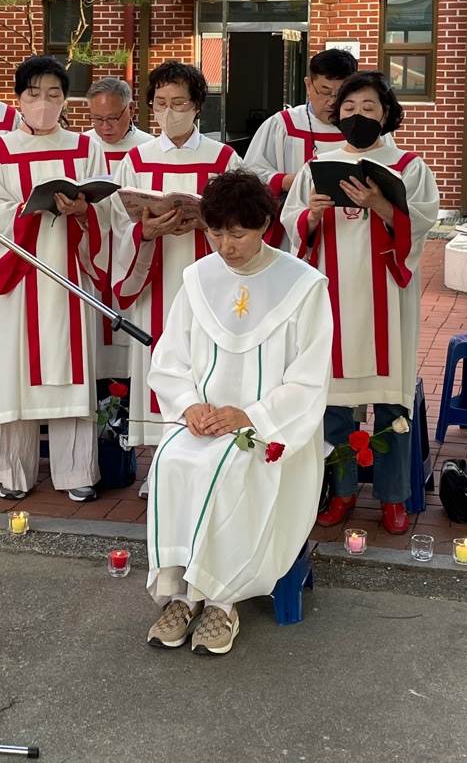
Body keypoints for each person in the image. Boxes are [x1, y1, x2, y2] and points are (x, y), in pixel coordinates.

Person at [144, 171, 331, 656]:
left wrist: (249, 416)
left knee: (228, 469)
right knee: (171, 461)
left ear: (265, 225)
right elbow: (170, 359)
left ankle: (221, 601)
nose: (225, 247)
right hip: (202, 420)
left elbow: (309, 381)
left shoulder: (303, 286)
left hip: (267, 428)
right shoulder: (198, 279)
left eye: (238, 234)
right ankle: (181, 593)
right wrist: (189, 406)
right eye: (215, 233)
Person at [281, 71, 439, 534]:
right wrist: (311, 216)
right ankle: (343, 491)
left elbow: (423, 226)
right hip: (332, 294)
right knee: (334, 402)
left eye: (368, 107)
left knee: (391, 404)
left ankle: (393, 497)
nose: (358, 115)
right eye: (349, 108)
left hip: (387, 297)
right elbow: (293, 224)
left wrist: (382, 205)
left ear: (386, 113)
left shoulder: (409, 167)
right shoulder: (318, 165)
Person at [0, 55, 110, 502]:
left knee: (72, 369)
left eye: (54, 94)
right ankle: (14, 472)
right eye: (34, 94)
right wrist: (26, 212)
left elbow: (107, 210)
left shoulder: (85, 148)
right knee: (14, 373)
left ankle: (76, 471)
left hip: (69, 275)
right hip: (18, 278)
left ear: (66, 99)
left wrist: (84, 211)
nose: (44, 103)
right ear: (18, 99)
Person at [113, 63, 245, 480]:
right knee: (162, 363)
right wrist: (144, 231)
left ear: (198, 106)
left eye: (179, 103)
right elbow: (118, 224)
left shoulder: (223, 158)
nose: (169, 113)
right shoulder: (136, 159)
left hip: (211, 281)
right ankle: (160, 470)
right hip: (156, 280)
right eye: (161, 103)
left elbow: (245, 218)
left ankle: (208, 464)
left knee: (209, 365)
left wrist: (209, 223)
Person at [84, 77, 153, 388]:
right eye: (97, 119)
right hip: (93, 250)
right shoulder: (82, 148)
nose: (105, 127)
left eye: (112, 118)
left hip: (133, 251)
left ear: (131, 110)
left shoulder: (147, 150)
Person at [243, 47, 358, 197]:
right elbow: (250, 173)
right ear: (308, 85)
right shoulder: (283, 125)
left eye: (341, 93)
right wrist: (287, 181)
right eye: (325, 92)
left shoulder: (365, 127)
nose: (332, 102)